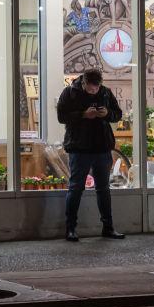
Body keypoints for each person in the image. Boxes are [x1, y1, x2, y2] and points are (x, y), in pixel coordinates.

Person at [57, 68, 125, 241]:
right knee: (76, 188)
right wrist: (82, 115)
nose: (94, 91)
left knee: (103, 189)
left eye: (97, 87)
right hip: (79, 148)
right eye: (91, 88)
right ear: (84, 82)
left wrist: (107, 114)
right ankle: (70, 229)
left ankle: (108, 227)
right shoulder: (70, 92)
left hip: (102, 147)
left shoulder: (106, 93)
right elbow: (61, 116)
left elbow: (117, 114)